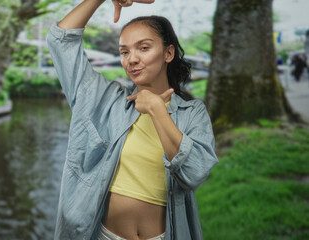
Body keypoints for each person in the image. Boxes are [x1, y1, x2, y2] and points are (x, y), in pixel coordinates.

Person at [46, 0, 218, 239]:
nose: (132, 59)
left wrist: (158, 109)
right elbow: (60, 40)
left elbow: (194, 172)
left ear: (168, 53)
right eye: (124, 51)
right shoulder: (104, 101)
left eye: (143, 48)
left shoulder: (193, 113)